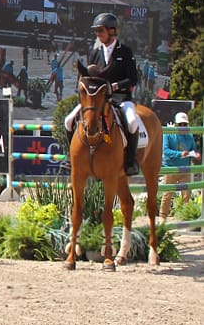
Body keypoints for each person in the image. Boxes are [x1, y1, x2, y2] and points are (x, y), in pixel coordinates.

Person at [64, 12, 142, 175]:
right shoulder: (95, 53)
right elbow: (89, 76)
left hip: (120, 98)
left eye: (101, 31)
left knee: (133, 121)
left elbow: (132, 79)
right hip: (96, 100)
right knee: (68, 120)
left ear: (112, 31)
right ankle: (70, 158)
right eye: (97, 31)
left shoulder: (125, 52)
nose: (98, 34)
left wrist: (114, 86)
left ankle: (130, 161)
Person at [160, 112, 199, 218]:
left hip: (184, 169)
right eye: (180, 124)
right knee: (167, 195)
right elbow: (165, 150)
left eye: (184, 124)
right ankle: (163, 218)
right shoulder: (168, 133)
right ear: (176, 124)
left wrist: (196, 155)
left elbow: (194, 149)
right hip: (170, 169)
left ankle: (186, 217)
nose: (182, 126)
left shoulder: (189, 135)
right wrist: (180, 154)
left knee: (187, 195)